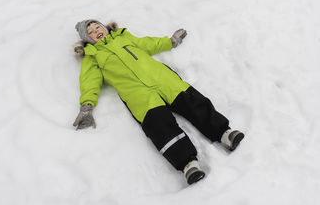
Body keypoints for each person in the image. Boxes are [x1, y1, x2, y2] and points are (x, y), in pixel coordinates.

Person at [73, 19, 245, 185]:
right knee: (159, 126)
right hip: (138, 94)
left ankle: (224, 133)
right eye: (91, 32)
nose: (97, 32)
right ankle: (188, 165)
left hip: (162, 79)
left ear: (104, 27)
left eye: (98, 27)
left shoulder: (123, 37)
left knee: (193, 103)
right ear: (88, 39)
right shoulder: (93, 57)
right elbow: (89, 82)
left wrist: (171, 41)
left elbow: (148, 44)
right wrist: (87, 106)